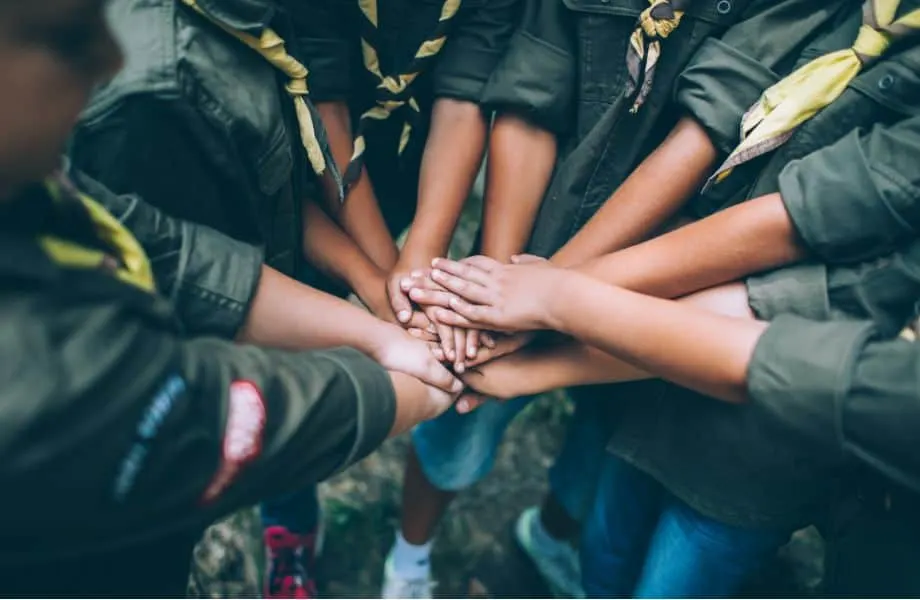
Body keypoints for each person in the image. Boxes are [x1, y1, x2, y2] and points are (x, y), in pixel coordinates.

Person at [413, 0, 920, 592]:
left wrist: (552, 304)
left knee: (674, 564)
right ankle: (526, 546)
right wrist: (517, 298)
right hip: (641, 315)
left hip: (735, 408)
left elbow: (803, 317)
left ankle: (550, 538)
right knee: (606, 544)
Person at [0, 0, 462, 596]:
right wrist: (420, 385)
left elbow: (170, 252)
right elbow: (220, 419)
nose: (107, 59)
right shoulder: (151, 91)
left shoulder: (21, 175)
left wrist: (380, 334)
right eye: (68, 40)